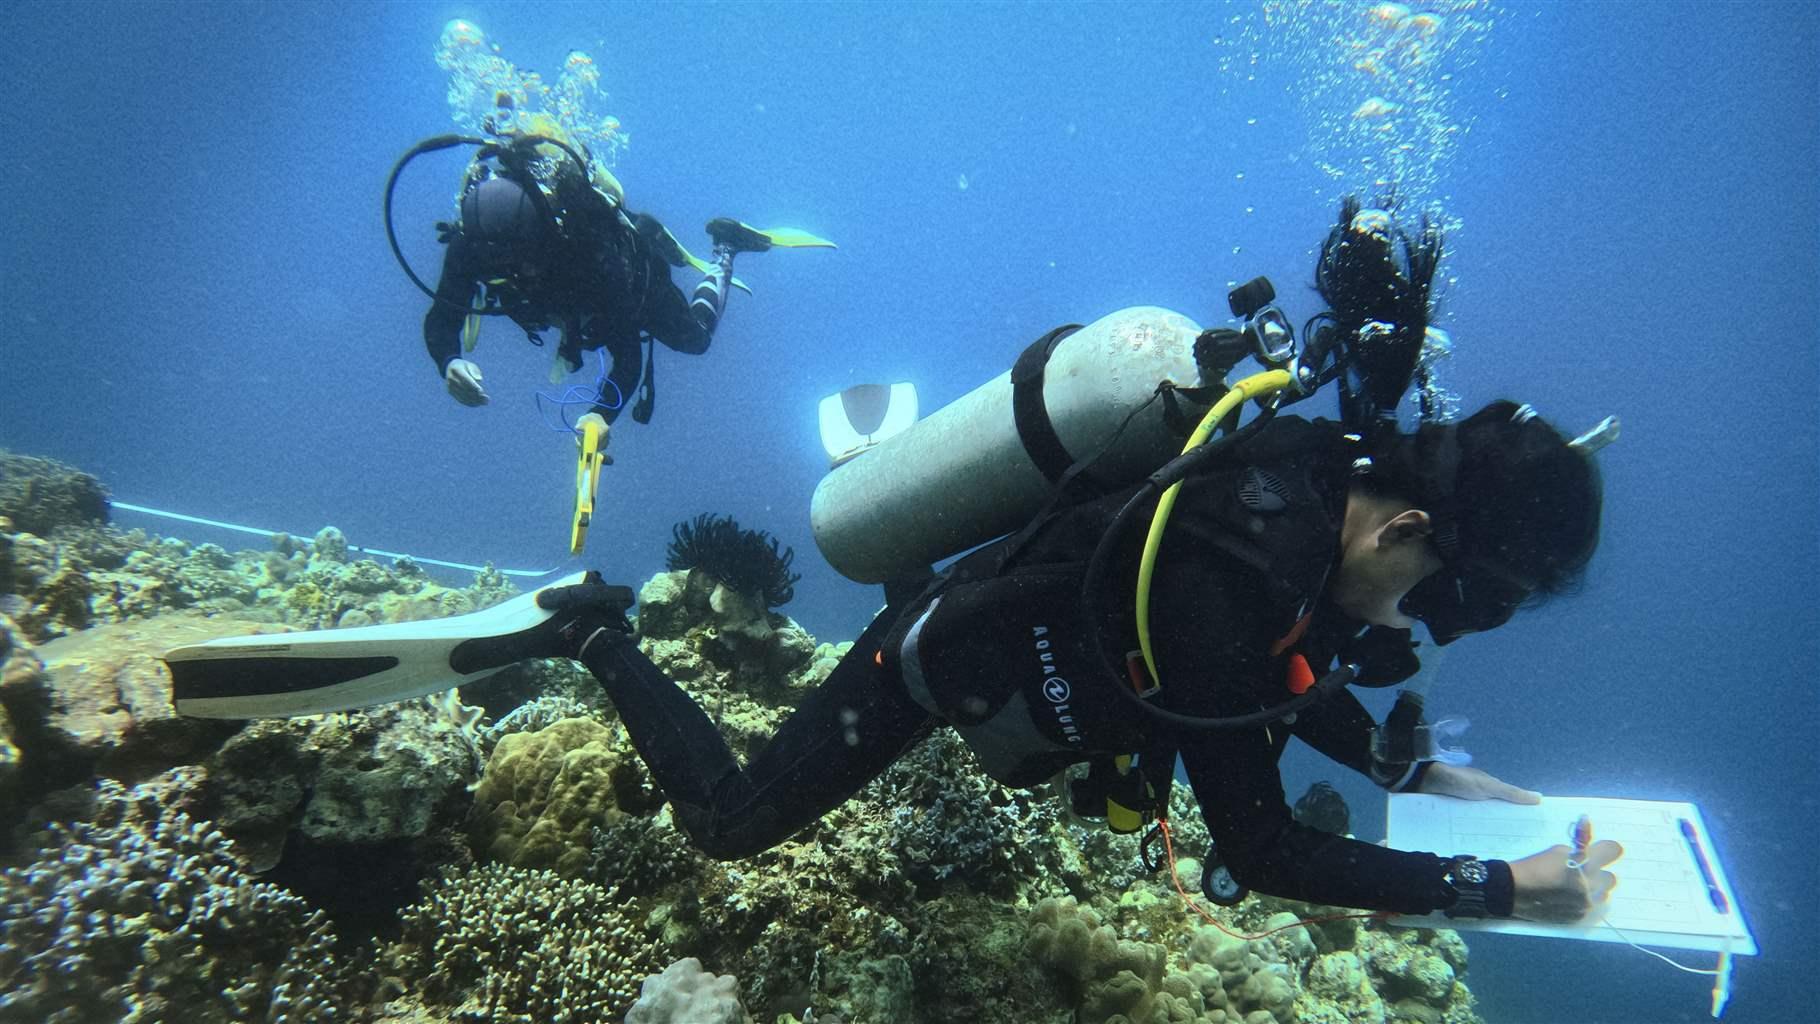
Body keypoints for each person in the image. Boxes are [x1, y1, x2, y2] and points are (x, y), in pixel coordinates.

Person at [514, 394, 1615, 924]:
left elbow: (1280, 680)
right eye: (1431, 599)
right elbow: (1266, 846)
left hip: (1034, 627)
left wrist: (1408, 772)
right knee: (730, 826)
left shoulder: (1316, 486)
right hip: (934, 664)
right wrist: (1496, 888)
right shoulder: (1229, 576)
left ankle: (881, 494)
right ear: (1401, 529)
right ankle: (590, 626)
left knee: (980, 591)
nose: (1412, 630)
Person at [422, 149, 778, 425]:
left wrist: (599, 416)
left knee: (697, 339)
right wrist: (448, 360)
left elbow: (627, 357)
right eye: (497, 266)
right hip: (574, 311)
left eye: (522, 259)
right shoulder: (472, 245)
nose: (518, 274)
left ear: (542, 238)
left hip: (636, 284)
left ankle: (724, 246)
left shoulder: (588, 251)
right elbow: (442, 317)